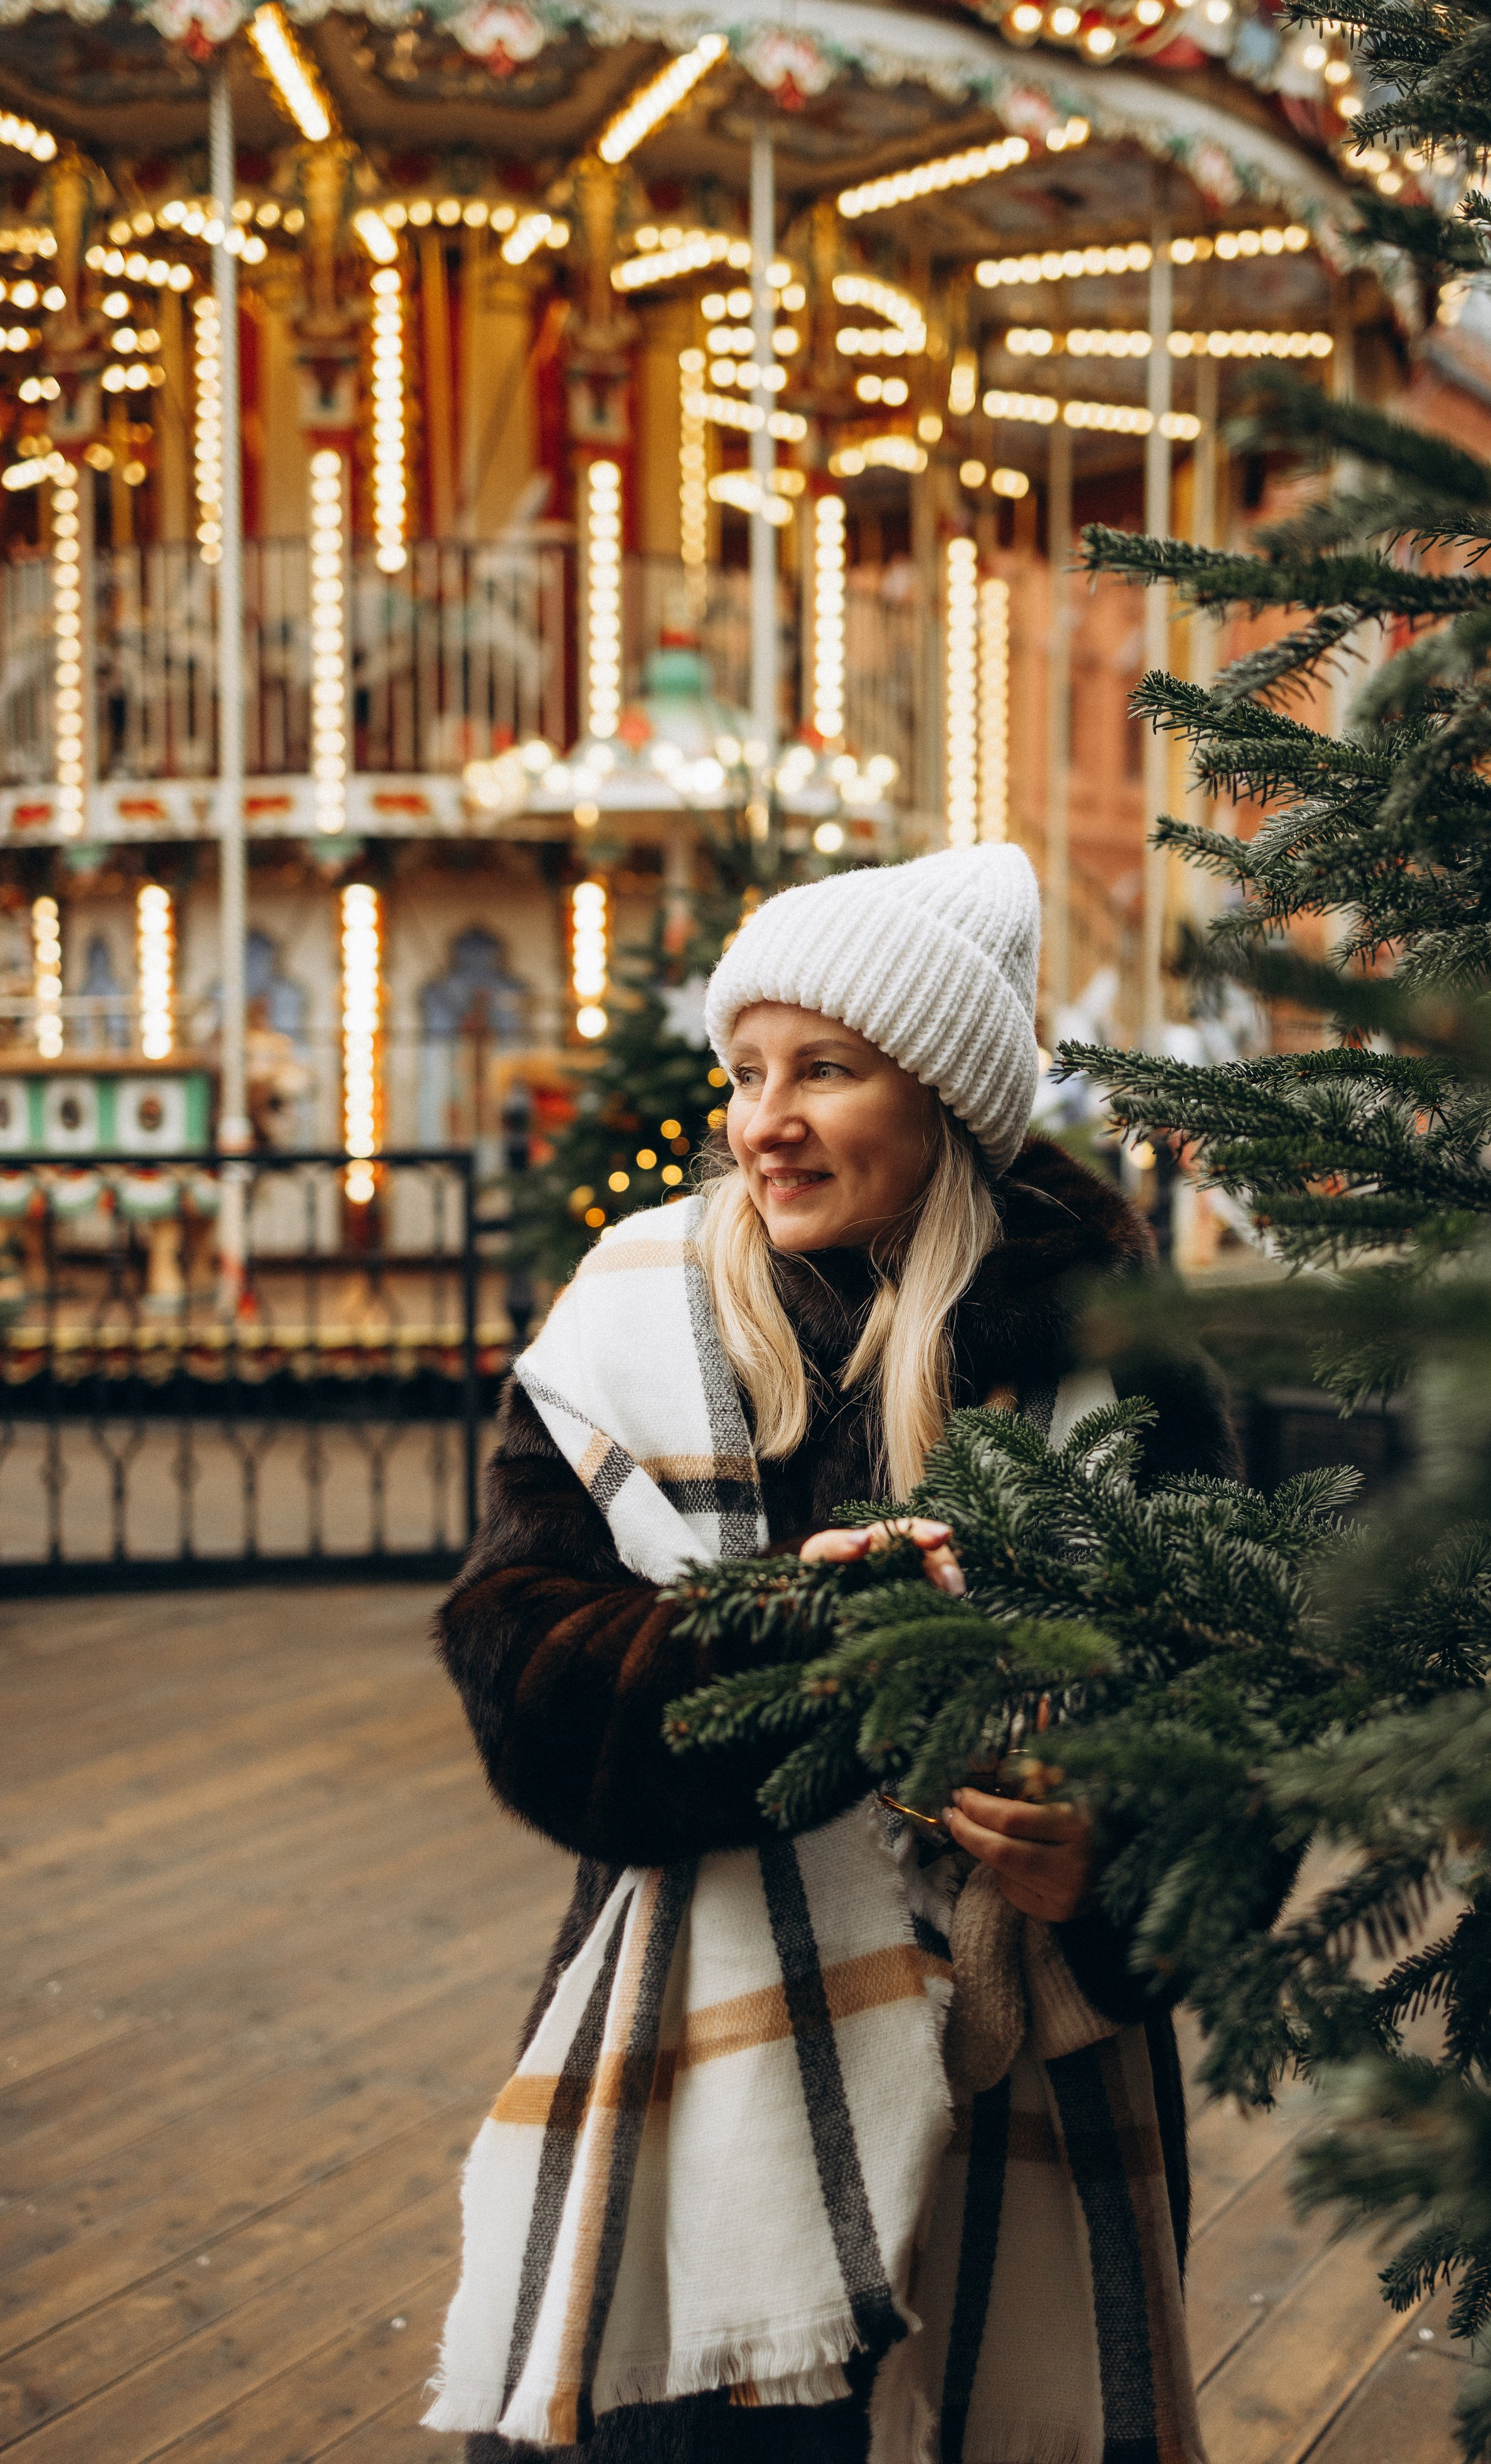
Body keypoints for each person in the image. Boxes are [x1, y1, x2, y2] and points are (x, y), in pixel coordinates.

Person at [430, 844, 1237, 2464]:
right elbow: (522, 1674)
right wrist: (789, 1645)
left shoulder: (1115, 1362)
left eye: (826, 1070)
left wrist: (1119, 1854)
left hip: (1019, 2060)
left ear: (938, 1094)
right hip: (702, 2064)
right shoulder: (630, 1319)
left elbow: (1231, 1716)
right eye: (743, 1072)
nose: (761, 1119)